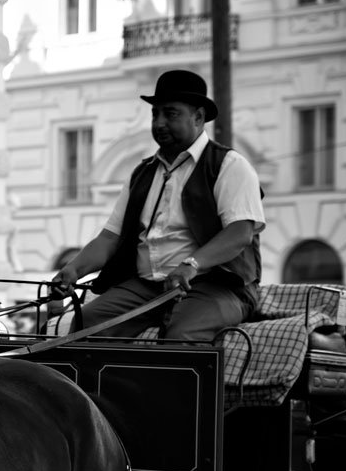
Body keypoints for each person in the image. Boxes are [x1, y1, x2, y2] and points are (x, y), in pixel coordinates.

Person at [52, 70, 264, 341]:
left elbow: (240, 233)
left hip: (217, 287)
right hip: (147, 286)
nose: (159, 122)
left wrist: (192, 264)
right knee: (86, 326)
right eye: (155, 114)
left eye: (171, 114)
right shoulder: (142, 173)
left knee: (182, 334)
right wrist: (74, 269)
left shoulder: (230, 165)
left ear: (198, 117)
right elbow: (110, 238)